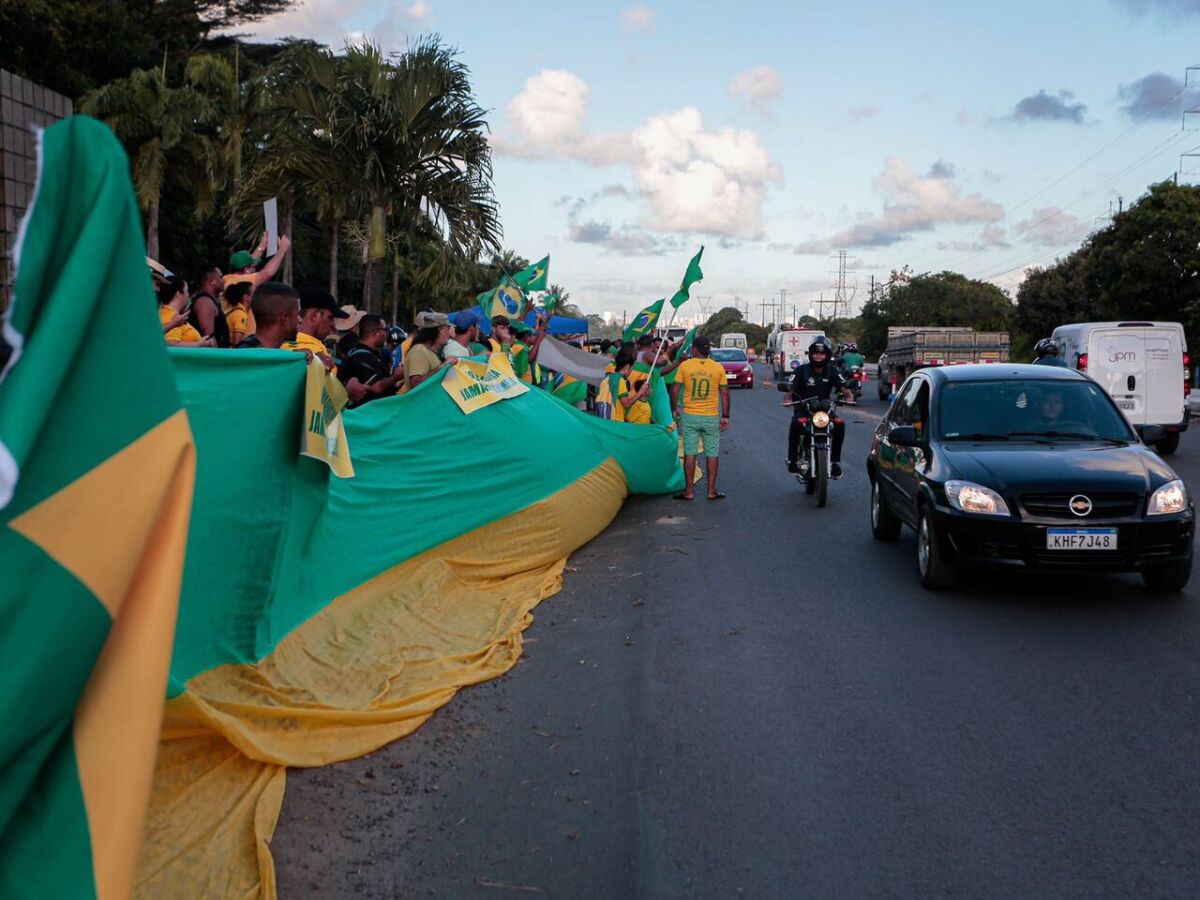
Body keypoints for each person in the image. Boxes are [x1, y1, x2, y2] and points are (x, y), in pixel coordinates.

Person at [670, 336, 729, 500]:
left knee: (690, 453)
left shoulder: (685, 366)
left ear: (695, 349)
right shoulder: (718, 368)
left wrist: (674, 409)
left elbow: (675, 390)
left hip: (690, 416)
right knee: (712, 454)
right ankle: (711, 491)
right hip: (710, 416)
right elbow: (724, 393)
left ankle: (689, 492)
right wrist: (725, 415)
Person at [786, 338, 851, 478]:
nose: (818, 356)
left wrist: (848, 398)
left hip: (825, 411)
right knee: (795, 424)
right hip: (805, 409)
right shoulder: (800, 370)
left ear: (827, 355)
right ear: (810, 354)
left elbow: (845, 389)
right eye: (815, 353)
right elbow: (789, 390)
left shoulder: (833, 371)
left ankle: (834, 463)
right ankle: (792, 460)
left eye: (821, 354)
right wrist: (788, 400)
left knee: (840, 425)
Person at [339, 314, 403, 405]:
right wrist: (396, 376)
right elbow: (377, 386)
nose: (386, 333)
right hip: (366, 414)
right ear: (376, 333)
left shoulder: (355, 351)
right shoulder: (362, 357)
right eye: (385, 330)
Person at [281, 286, 348, 373]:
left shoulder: (277, 344)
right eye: (330, 317)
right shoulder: (314, 356)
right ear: (315, 316)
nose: (333, 325)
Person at [400, 312, 454, 393]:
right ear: (440, 330)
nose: (449, 333)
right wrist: (443, 366)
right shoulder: (419, 351)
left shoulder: (427, 351)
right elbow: (416, 385)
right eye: (448, 328)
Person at [235, 281, 299, 349]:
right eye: (297, 314)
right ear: (284, 319)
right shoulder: (252, 357)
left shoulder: (241, 353)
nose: (300, 320)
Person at [223, 233, 292, 294]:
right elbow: (266, 274)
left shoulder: (229, 279)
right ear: (246, 269)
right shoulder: (240, 282)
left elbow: (250, 261)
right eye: (253, 267)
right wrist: (282, 250)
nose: (255, 268)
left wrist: (261, 246)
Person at [158, 276, 214, 347]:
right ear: (178, 294)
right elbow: (170, 344)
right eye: (187, 291)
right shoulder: (171, 315)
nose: (188, 295)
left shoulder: (169, 313)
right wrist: (199, 344)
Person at [596, 349, 651, 421]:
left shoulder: (607, 378)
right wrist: (641, 391)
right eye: (632, 368)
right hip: (615, 420)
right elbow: (626, 404)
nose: (632, 371)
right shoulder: (620, 380)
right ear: (628, 367)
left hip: (603, 418)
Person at [189, 266, 230, 347]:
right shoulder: (204, 301)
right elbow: (208, 337)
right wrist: (217, 357)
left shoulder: (209, 300)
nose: (224, 280)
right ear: (212, 281)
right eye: (221, 277)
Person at [223, 281, 255, 346]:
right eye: (255, 293)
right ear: (246, 297)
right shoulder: (241, 315)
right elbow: (237, 344)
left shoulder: (233, 310)